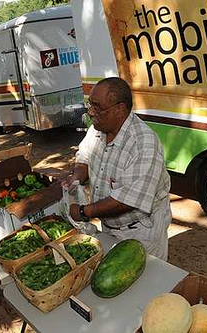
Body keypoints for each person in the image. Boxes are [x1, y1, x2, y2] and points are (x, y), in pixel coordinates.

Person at [62, 77, 172, 261]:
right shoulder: (98, 128)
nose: (90, 112)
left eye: (97, 107)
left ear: (119, 109)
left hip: (140, 232)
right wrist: (77, 176)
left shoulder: (143, 143)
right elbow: (85, 155)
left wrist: (83, 212)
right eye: (90, 105)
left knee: (147, 282)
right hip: (109, 225)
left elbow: (127, 200)